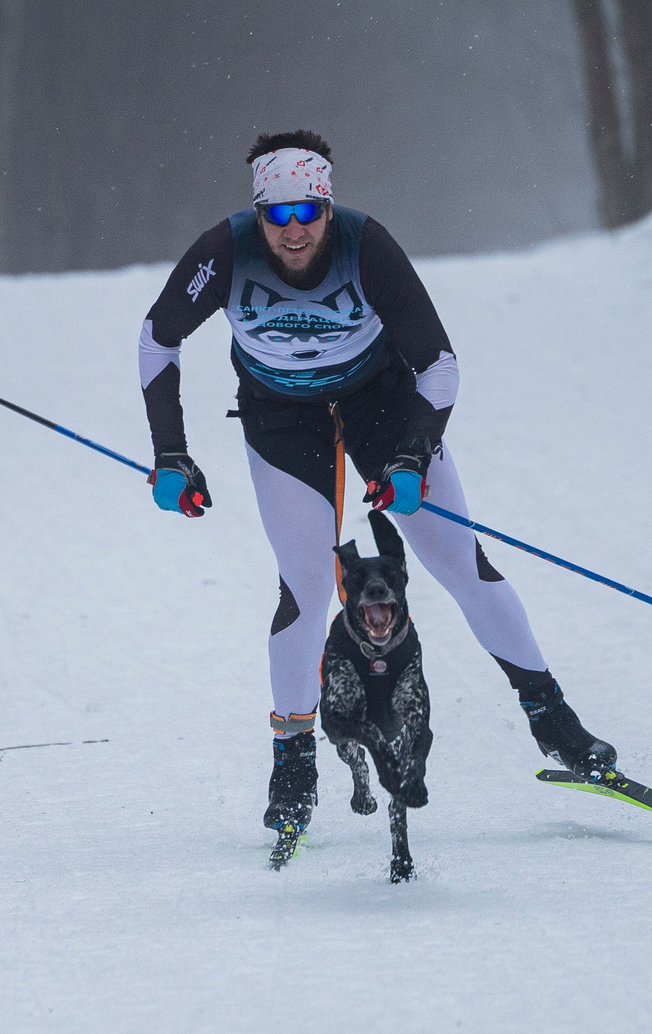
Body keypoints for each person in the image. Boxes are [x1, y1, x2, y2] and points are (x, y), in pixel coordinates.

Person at [136, 129, 617, 838]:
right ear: (258, 215)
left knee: (460, 562)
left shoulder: (368, 246)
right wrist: (171, 453)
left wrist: (412, 456)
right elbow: (158, 335)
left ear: (329, 210)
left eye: (308, 215)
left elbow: (441, 363)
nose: (293, 232)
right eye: (278, 216)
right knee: (303, 585)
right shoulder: (224, 251)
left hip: (382, 403)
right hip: (281, 419)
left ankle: (555, 722)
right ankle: (294, 762)